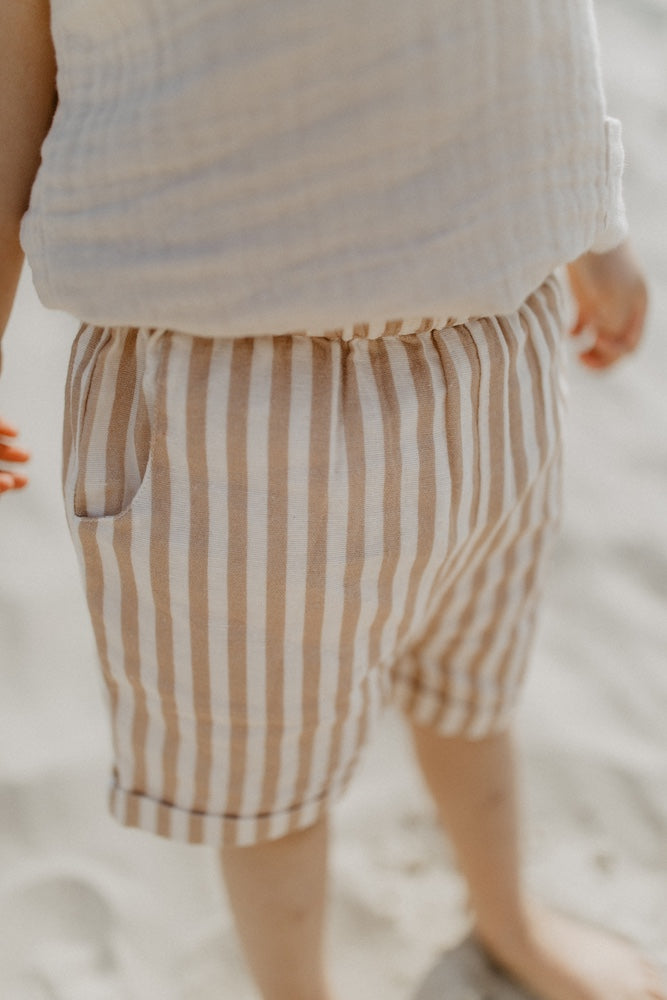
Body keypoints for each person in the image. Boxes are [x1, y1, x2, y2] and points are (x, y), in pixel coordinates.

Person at [0, 3, 662, 1000]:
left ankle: (505, 912)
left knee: (471, 677)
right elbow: (19, 67)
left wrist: (587, 220)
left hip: (486, 332)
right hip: (221, 380)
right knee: (265, 785)